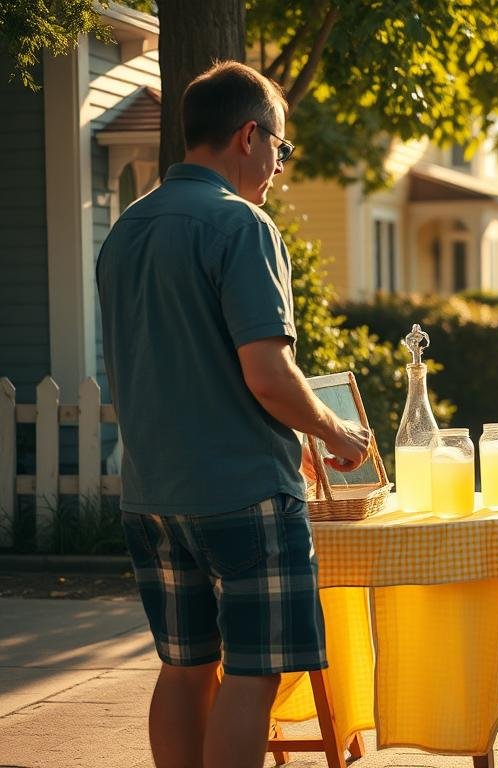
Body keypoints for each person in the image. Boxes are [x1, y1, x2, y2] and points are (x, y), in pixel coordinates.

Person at [96, 61, 371, 768]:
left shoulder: (125, 230)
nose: (280, 164)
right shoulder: (242, 225)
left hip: (151, 497)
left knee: (184, 669)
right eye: (280, 148)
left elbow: (179, 368)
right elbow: (269, 376)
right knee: (254, 674)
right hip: (243, 498)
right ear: (249, 136)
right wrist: (335, 434)